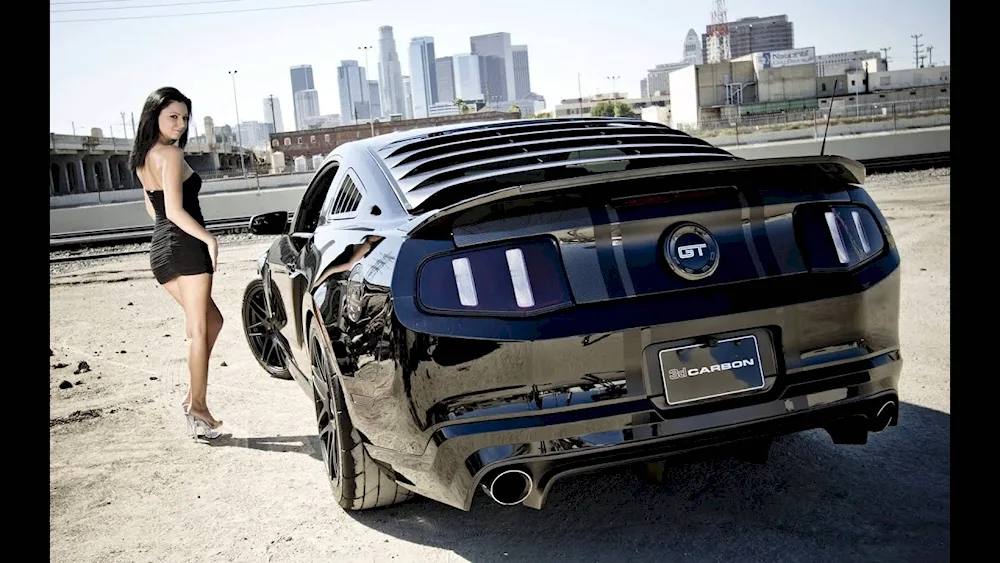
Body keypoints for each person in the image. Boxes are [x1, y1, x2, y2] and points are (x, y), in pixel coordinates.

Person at [128, 86, 224, 440]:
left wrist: (171, 235)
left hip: (161, 248)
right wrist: (208, 238)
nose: (181, 124)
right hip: (185, 247)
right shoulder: (168, 154)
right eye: (173, 116)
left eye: (184, 118)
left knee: (212, 321)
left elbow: (152, 209)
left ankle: (191, 396)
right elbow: (173, 210)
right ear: (154, 115)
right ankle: (198, 408)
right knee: (198, 329)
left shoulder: (142, 156)